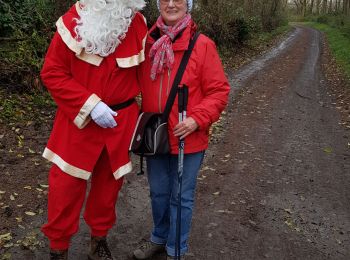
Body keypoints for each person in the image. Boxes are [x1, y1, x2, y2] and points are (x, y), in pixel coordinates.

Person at [40, 0, 147, 259]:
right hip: (77, 122)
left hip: (119, 123)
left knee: (108, 189)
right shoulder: (70, 23)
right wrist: (90, 105)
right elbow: (52, 73)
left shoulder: (138, 24)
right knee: (64, 190)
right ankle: (58, 249)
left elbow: (150, 76)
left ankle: (98, 241)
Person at [133, 0, 230, 259]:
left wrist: (197, 119)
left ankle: (176, 249)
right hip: (156, 135)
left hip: (188, 137)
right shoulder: (147, 43)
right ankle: (159, 237)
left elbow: (219, 91)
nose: (171, 4)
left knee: (181, 197)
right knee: (158, 193)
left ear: (188, 6)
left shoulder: (202, 45)